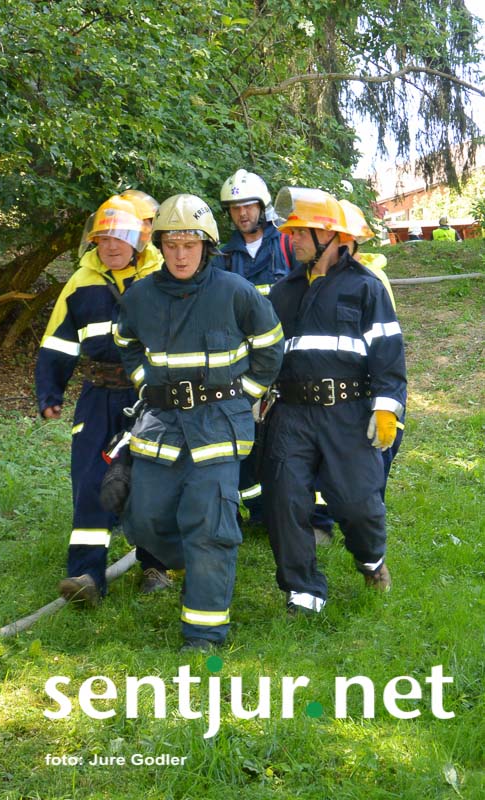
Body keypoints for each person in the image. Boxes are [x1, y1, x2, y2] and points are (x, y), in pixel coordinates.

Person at [114, 193, 284, 650]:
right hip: (161, 425)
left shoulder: (235, 291)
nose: (180, 255)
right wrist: (143, 383)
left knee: (209, 525)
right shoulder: (140, 296)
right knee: (145, 519)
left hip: (219, 427)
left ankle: (203, 634)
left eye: (190, 245)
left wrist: (245, 396)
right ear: (160, 246)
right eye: (171, 245)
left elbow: (271, 345)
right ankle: (196, 557)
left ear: (206, 246)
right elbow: (125, 341)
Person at [261, 187, 407, 615]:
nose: (292, 239)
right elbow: (267, 352)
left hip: (348, 413)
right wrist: (258, 391)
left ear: (329, 236)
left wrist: (386, 407)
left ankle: (371, 559)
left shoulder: (366, 287)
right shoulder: (283, 292)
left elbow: (388, 353)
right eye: (291, 232)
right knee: (285, 500)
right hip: (291, 414)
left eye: (301, 232)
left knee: (357, 504)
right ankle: (303, 591)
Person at [35, 192, 171, 607]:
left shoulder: (161, 276)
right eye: (104, 239)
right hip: (97, 397)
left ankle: (155, 566)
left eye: (120, 238)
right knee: (91, 481)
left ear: (138, 240)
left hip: (148, 395)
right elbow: (58, 342)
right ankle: (86, 576)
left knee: (150, 478)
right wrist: (50, 391)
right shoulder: (81, 282)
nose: (111, 246)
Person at [212, 168, 296, 522]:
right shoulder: (221, 257)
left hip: (287, 361)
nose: (242, 213)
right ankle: (255, 510)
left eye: (248, 206)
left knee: (285, 440)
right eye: (235, 208)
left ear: (262, 207)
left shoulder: (288, 245)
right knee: (244, 438)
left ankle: (291, 511)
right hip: (243, 365)